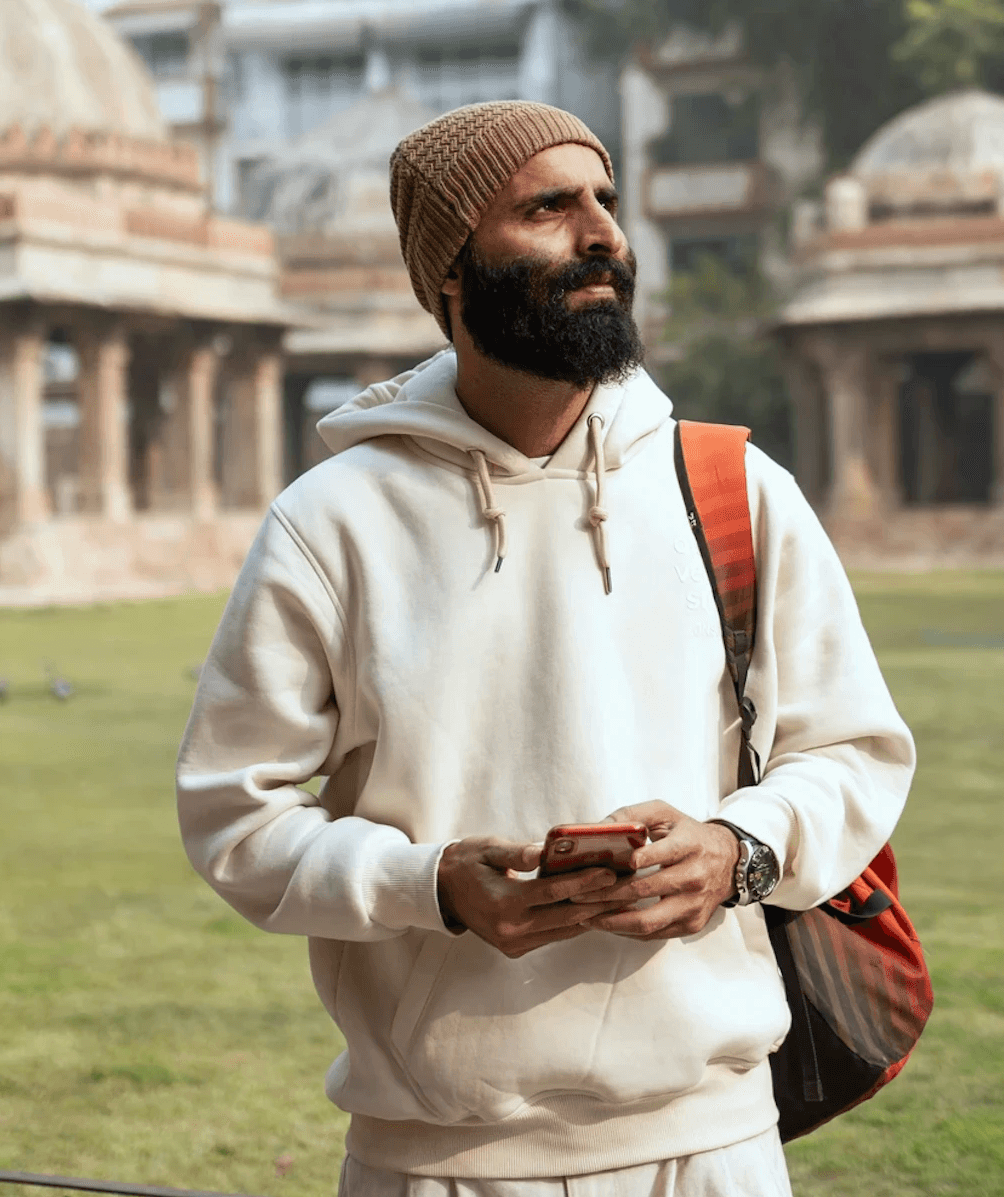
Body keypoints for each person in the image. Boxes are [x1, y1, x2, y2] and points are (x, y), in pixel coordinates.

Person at [176, 100, 914, 1196]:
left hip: (711, 1147)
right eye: (547, 206)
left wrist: (734, 848)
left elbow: (853, 751)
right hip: (437, 1158)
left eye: (604, 202)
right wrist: (427, 885)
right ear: (452, 272)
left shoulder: (728, 488)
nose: (602, 233)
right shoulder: (330, 523)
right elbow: (234, 814)